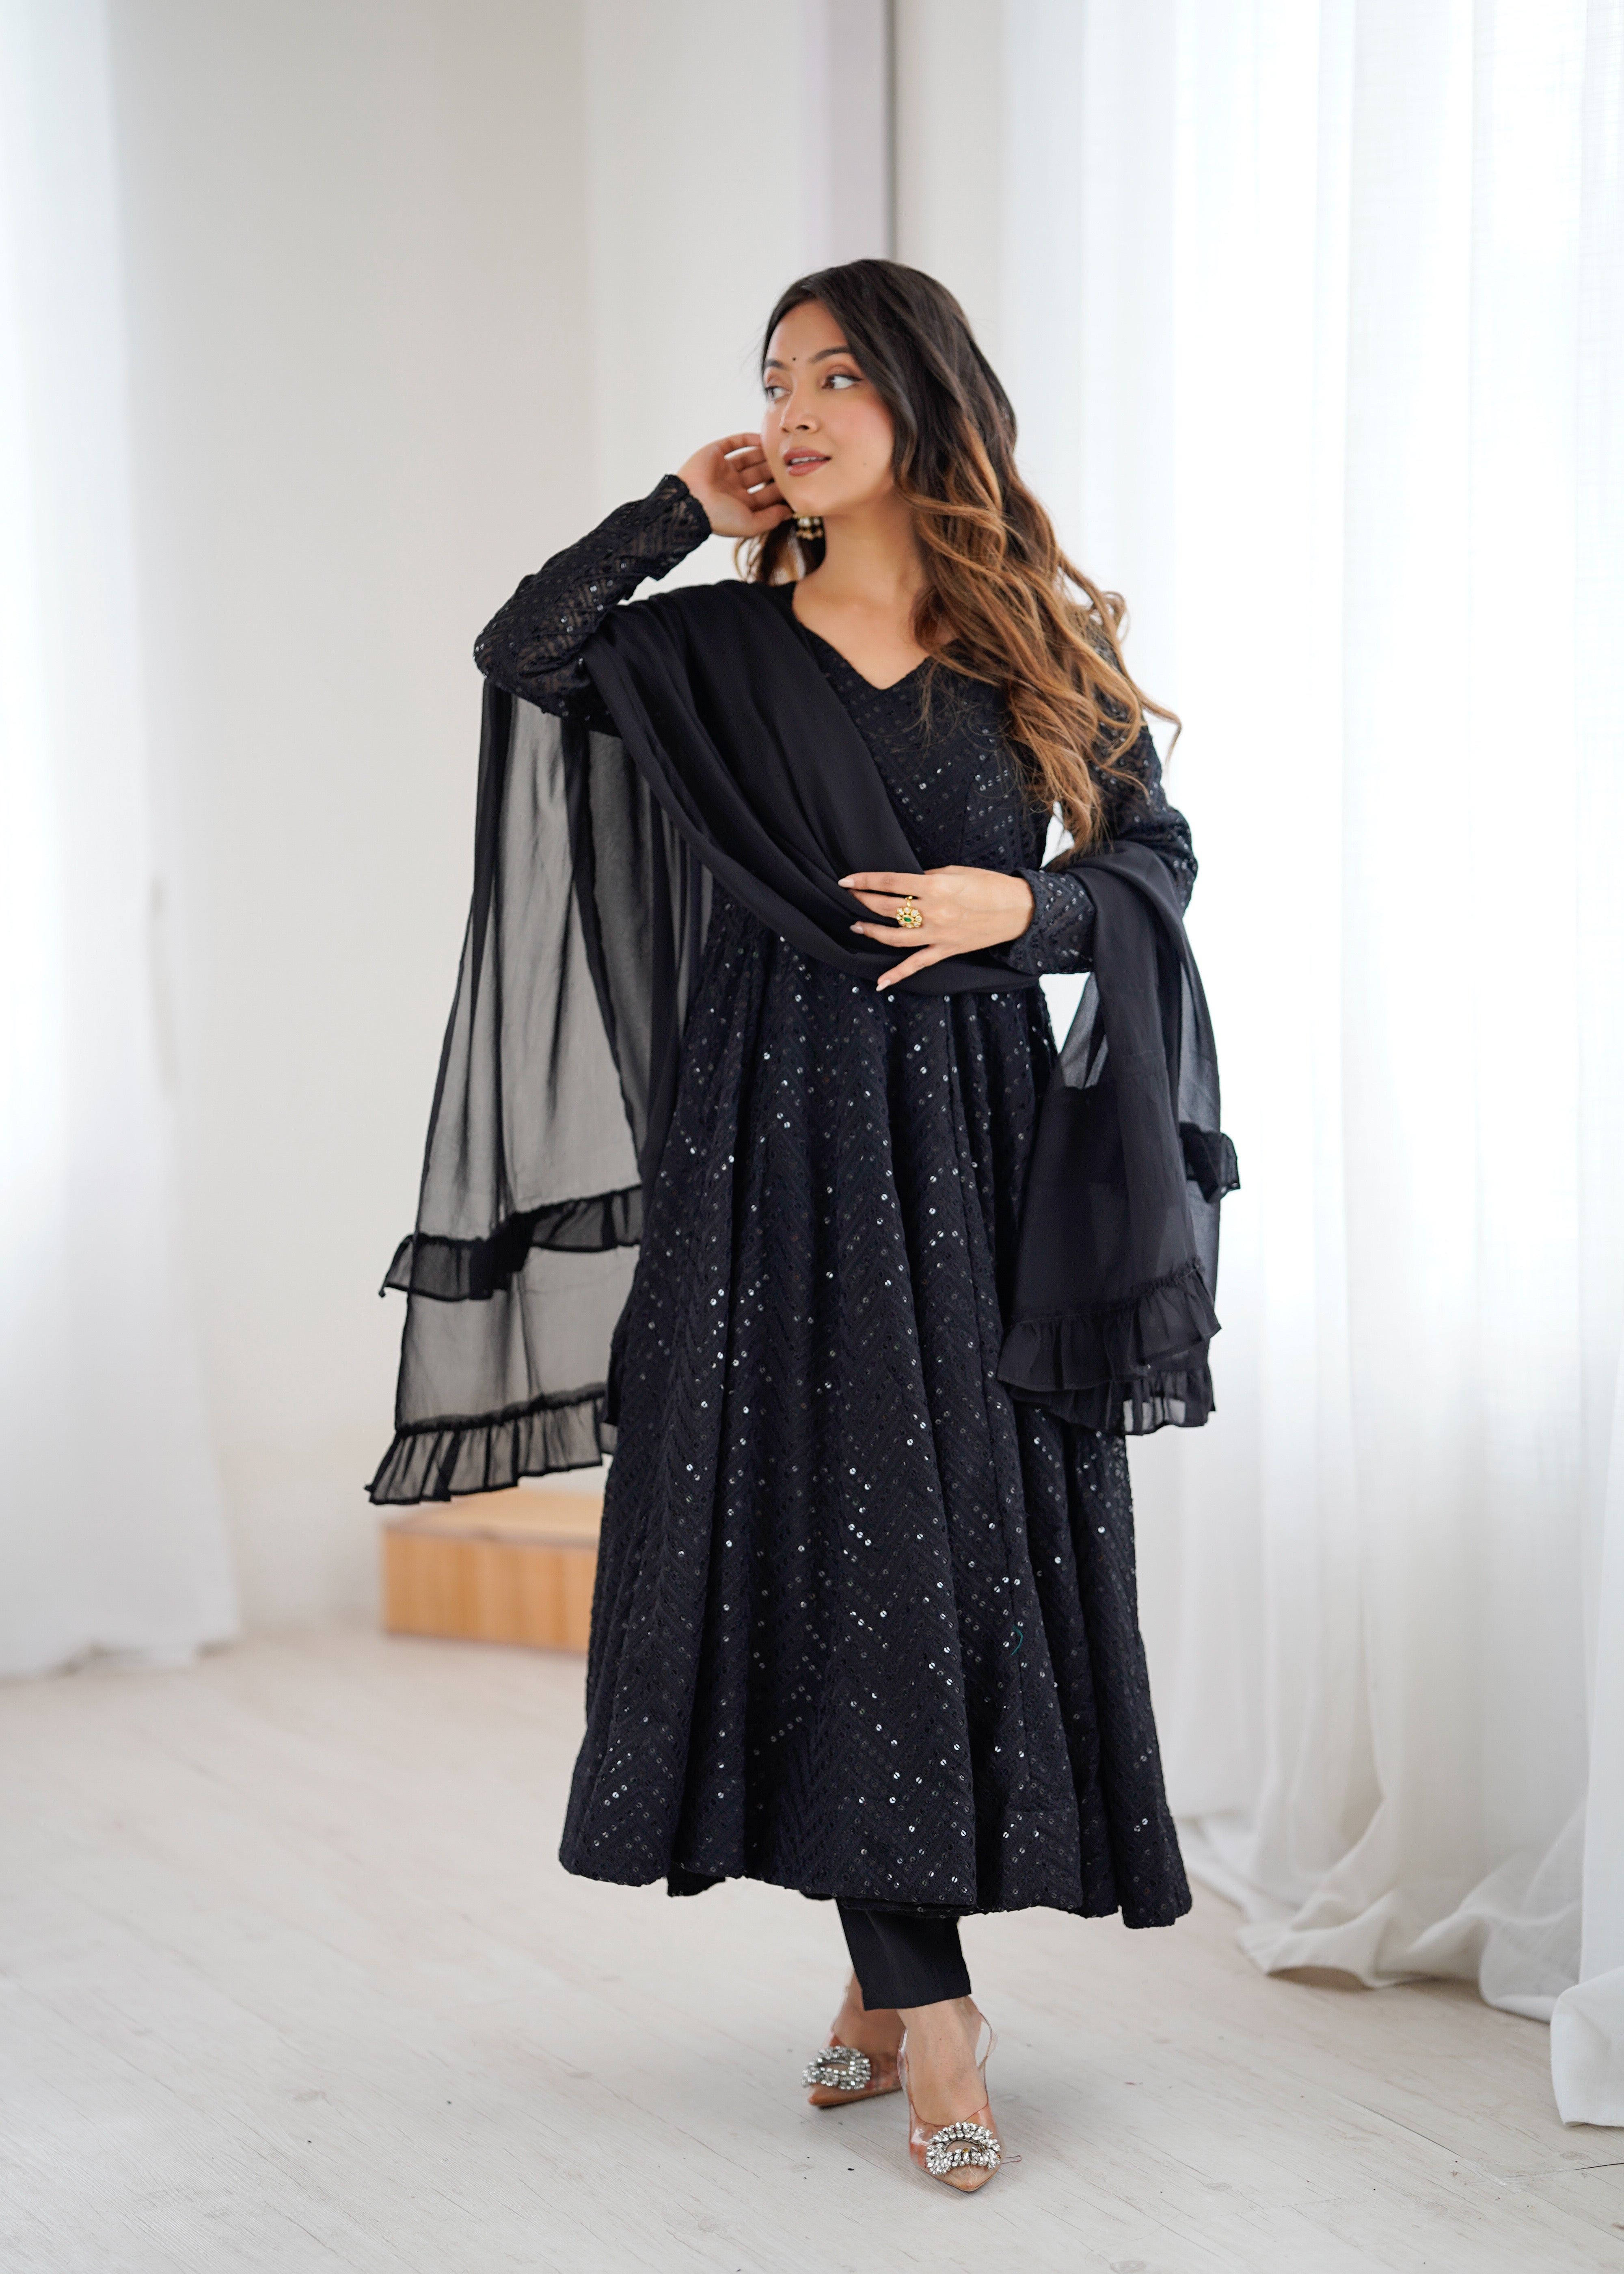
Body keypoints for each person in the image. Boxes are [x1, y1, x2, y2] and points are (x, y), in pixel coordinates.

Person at [374, 260, 1231, 2193]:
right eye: (773, 379)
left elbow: (1153, 864)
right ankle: (936, 2005)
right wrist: (681, 507)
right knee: (826, 1543)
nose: (794, 407)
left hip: (984, 1152)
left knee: (951, 1553)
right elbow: (525, 647)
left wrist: (1034, 909)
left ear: (927, 400)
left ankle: (879, 1977)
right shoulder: (711, 649)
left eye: (836, 374)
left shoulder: (1037, 649)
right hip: (766, 1145)